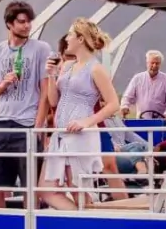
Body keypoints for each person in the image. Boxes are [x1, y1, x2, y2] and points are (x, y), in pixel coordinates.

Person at [41, 19, 120, 210]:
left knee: (79, 191)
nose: (66, 38)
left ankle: (88, 228)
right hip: (61, 134)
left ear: (81, 39)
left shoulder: (95, 68)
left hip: (80, 135)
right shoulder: (67, 67)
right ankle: (82, 222)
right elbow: (53, 101)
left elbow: (114, 103)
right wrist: (51, 75)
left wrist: (88, 121)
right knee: (46, 190)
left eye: (70, 34)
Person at [0, 1, 51, 208]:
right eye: (21, 22)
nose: (27, 26)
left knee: (30, 186)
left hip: (28, 125)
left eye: (29, 22)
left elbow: (45, 90)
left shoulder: (41, 48)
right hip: (1, 123)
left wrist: (39, 126)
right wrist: (4, 84)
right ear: (9, 24)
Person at [122, 49, 166, 119]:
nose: (154, 66)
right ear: (147, 63)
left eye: (157, 63)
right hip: (141, 120)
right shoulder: (137, 78)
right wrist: (125, 106)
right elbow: (127, 96)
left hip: (160, 121)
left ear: (160, 64)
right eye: (152, 63)